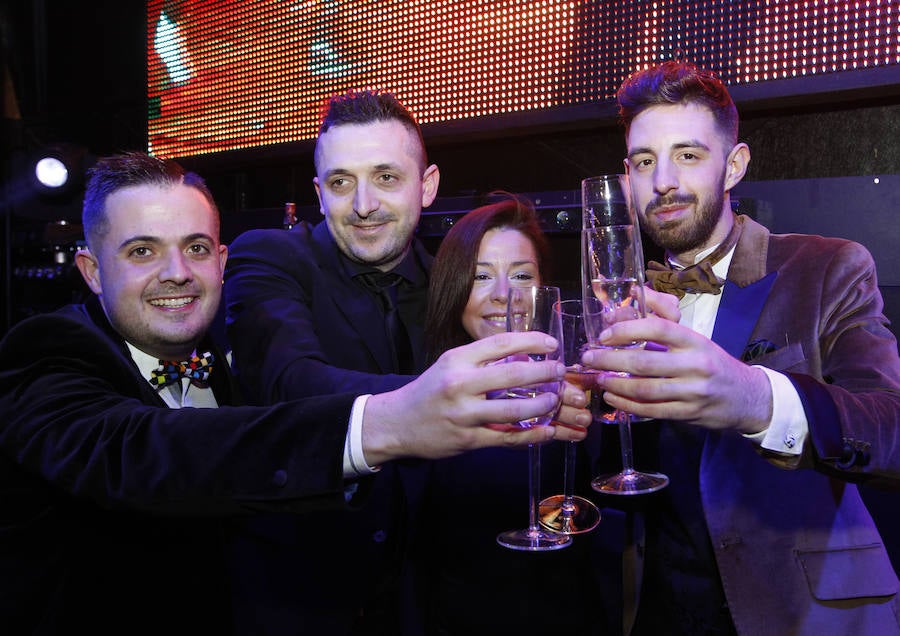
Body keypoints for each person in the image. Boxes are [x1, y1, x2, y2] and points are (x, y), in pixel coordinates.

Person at [0, 151, 585, 635]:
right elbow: (146, 450)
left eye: (197, 248)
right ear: (92, 270)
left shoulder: (227, 366)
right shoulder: (48, 352)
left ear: (220, 261)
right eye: (142, 251)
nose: (176, 271)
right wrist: (388, 423)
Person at [582, 61, 900, 635]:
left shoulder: (826, 267)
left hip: (805, 612)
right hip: (659, 612)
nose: (664, 183)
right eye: (644, 162)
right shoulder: (620, 302)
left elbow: (892, 432)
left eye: (689, 155)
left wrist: (756, 397)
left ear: (734, 165)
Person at [416, 193, 600, 635]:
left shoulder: (574, 385)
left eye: (521, 276)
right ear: (452, 287)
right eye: (481, 277)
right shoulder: (418, 396)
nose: (505, 296)